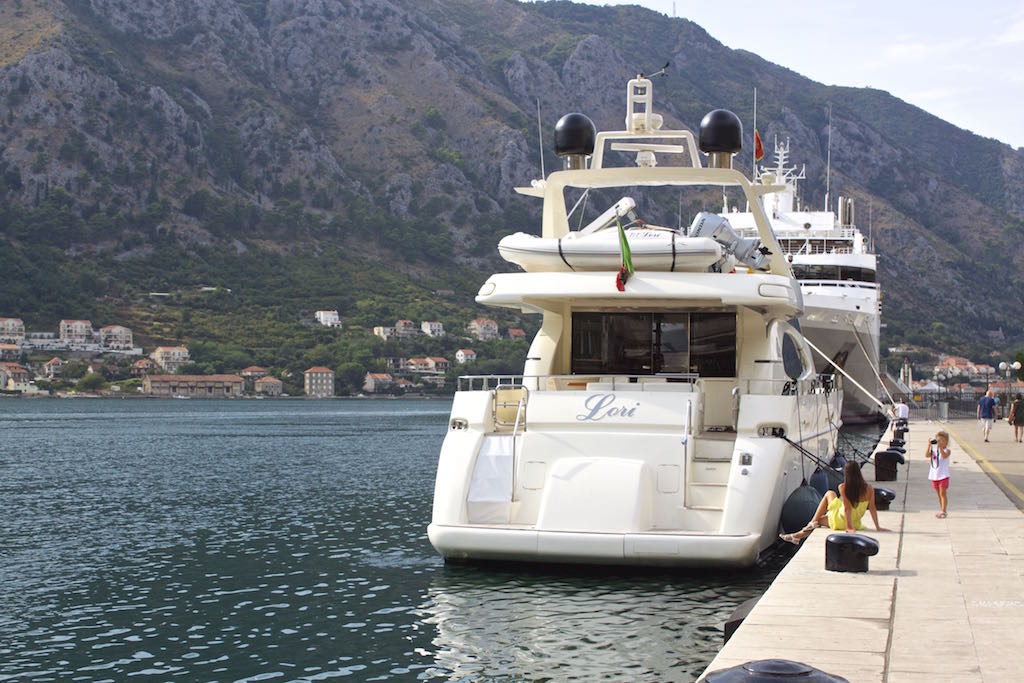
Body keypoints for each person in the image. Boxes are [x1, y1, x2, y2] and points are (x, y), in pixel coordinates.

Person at [779, 461, 888, 544]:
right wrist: (877, 527)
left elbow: (847, 508)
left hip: (842, 519)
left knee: (827, 497)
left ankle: (804, 529)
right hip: (855, 522)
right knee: (820, 519)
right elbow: (872, 508)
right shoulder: (868, 488)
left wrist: (848, 527)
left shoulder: (843, 487)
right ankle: (797, 536)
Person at [926, 429, 952, 518]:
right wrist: (929, 446)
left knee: (942, 493)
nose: (940, 442)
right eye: (938, 440)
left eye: (942, 440)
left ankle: (944, 511)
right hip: (935, 475)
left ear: (946, 441)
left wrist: (940, 447)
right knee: (938, 494)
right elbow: (926, 455)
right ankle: (942, 510)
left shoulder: (947, 450)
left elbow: (944, 456)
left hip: (943, 475)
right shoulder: (934, 450)